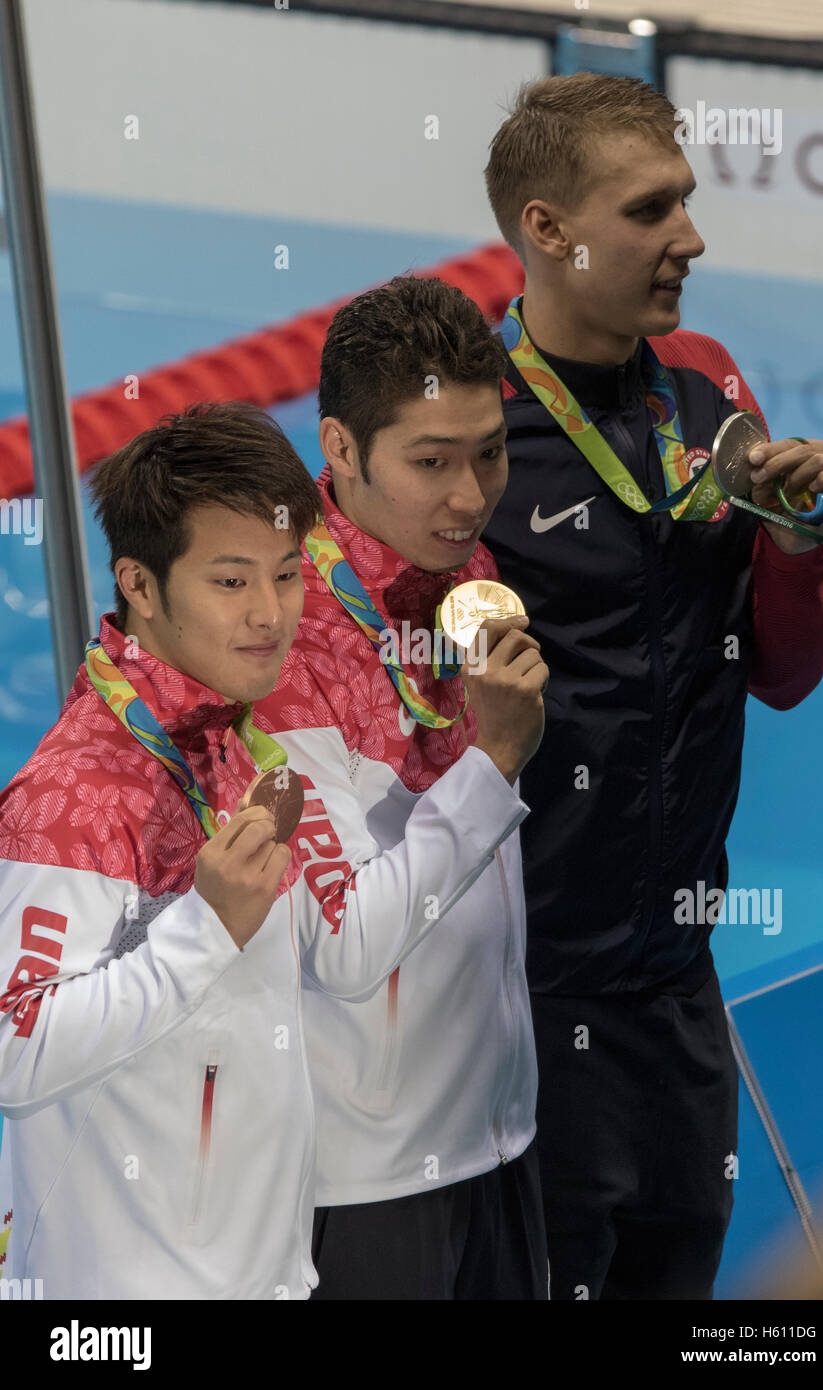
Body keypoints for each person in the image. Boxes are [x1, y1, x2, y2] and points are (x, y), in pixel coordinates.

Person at [0, 400, 542, 1299]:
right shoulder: (82, 792)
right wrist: (206, 931)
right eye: (230, 582)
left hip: (267, 1273)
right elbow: (15, 1050)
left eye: (287, 575)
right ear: (138, 583)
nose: (269, 616)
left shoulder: (231, 738)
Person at [480, 73, 823, 1300]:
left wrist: (793, 543)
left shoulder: (703, 384)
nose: (688, 238)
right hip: (521, 991)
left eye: (684, 202)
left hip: (682, 978)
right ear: (547, 229)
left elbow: (784, 677)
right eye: (650, 211)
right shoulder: (469, 441)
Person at [253, 274, 550, 1299]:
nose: (469, 495)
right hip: (362, 1183)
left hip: (499, 1137)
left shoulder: (467, 571)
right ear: (339, 449)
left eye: (489, 453)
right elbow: (338, 945)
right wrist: (494, 762)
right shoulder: (279, 638)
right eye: (430, 462)